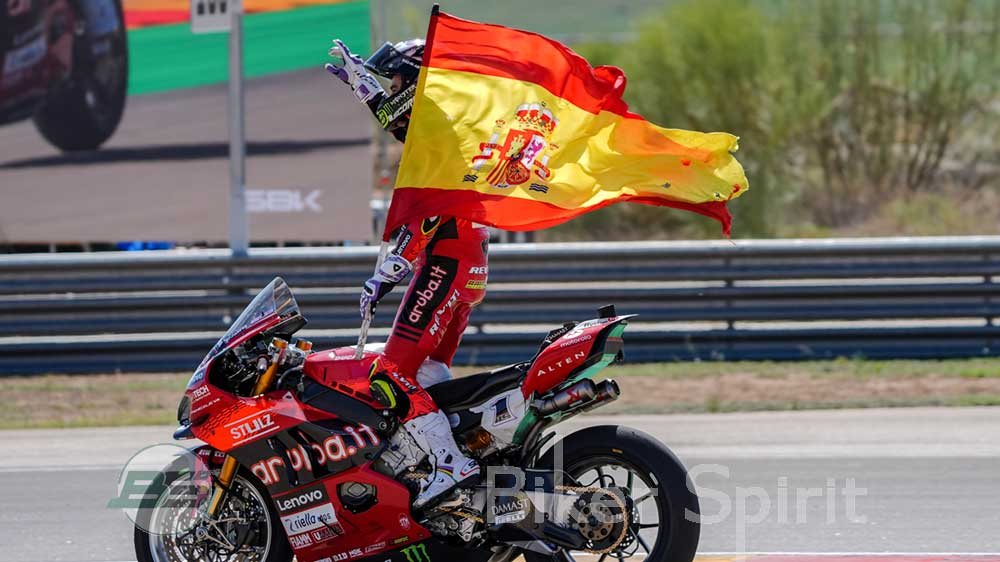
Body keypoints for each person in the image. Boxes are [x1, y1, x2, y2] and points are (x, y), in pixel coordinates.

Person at [325, 38, 489, 508]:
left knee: (391, 373)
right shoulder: (438, 127)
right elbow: (400, 123)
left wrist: (389, 271)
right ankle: (455, 453)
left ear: (417, 84)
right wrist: (364, 88)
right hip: (467, 265)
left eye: (396, 83)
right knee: (429, 373)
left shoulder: (435, 137)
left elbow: (428, 216)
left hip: (445, 262)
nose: (390, 91)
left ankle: (449, 465)